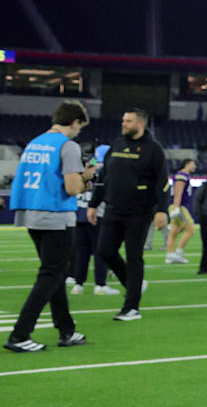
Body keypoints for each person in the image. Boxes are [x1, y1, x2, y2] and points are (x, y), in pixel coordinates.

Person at [4, 101, 95, 352]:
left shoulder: (35, 142)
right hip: (55, 216)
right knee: (51, 274)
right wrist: (86, 177)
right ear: (75, 122)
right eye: (79, 127)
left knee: (56, 272)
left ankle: (66, 330)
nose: (78, 132)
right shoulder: (68, 146)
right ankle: (20, 334)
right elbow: (72, 188)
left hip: (32, 213)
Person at [89, 108, 169, 322]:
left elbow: (162, 181)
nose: (123, 124)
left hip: (139, 211)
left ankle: (131, 307)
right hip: (113, 208)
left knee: (134, 257)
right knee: (105, 251)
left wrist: (162, 209)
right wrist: (93, 204)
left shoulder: (154, 149)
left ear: (140, 124)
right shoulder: (116, 145)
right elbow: (103, 177)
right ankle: (134, 284)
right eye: (123, 120)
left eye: (128, 121)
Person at [71, 157, 119, 296]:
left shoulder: (83, 170)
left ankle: (78, 284)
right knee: (100, 251)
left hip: (79, 215)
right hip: (95, 216)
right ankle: (100, 284)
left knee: (82, 252)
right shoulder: (102, 172)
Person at [165, 159, 197, 264]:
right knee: (191, 229)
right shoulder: (182, 175)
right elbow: (178, 192)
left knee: (174, 230)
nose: (195, 166)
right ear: (187, 164)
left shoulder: (183, 175)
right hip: (180, 206)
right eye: (193, 164)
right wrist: (177, 207)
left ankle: (170, 255)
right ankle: (178, 253)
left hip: (178, 205)